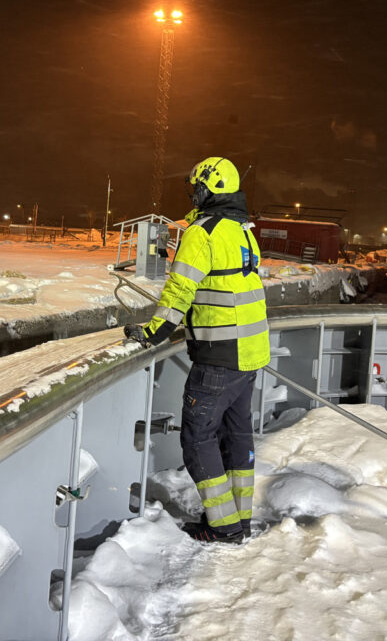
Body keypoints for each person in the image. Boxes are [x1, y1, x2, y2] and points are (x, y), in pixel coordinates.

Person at [124, 156, 270, 543]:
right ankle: (240, 519)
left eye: (197, 188)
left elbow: (179, 290)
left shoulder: (202, 233)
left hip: (220, 354)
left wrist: (154, 332)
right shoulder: (243, 232)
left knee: (198, 438)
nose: (193, 193)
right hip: (249, 353)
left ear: (209, 189)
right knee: (237, 437)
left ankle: (222, 528)